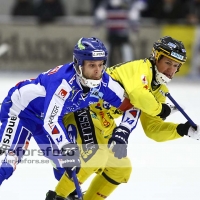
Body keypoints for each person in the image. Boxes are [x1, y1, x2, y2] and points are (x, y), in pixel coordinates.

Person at [45, 36, 200, 200]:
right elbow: (138, 96)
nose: (171, 70)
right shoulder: (141, 69)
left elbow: (153, 129)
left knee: (121, 169)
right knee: (96, 156)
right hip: (82, 109)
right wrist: (162, 109)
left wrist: (182, 130)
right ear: (156, 57)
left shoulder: (158, 89)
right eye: (167, 63)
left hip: (102, 123)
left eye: (176, 66)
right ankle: (58, 196)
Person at [0, 37, 135, 186]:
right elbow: (51, 121)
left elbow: (132, 106)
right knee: (8, 163)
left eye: (101, 64)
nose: (97, 71)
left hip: (45, 119)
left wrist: (124, 129)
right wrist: (67, 148)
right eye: (91, 65)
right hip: (20, 111)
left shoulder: (105, 83)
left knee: (65, 168)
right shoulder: (63, 83)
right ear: (78, 64)